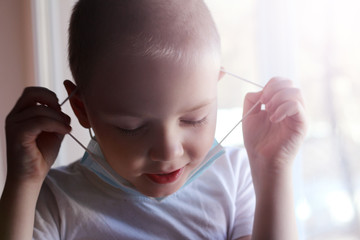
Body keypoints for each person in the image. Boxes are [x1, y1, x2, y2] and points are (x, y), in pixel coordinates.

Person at [0, 0, 307, 239]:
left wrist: (272, 168)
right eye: (131, 128)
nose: (168, 152)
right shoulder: (54, 202)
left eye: (194, 119)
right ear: (81, 109)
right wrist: (23, 182)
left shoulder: (237, 178)